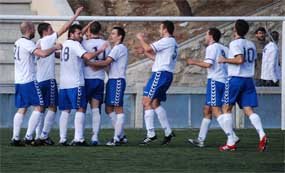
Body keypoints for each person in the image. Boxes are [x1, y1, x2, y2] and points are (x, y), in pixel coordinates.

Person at [34, 7, 84, 145]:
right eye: (51, 29)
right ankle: (43, 135)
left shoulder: (37, 43)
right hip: (49, 80)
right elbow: (65, 28)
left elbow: (54, 55)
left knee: (41, 108)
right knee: (53, 107)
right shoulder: (49, 40)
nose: (53, 31)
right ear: (46, 31)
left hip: (38, 79)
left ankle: (37, 135)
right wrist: (76, 15)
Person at [218, 19, 267, 152]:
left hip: (235, 79)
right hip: (248, 80)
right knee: (248, 109)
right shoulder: (250, 44)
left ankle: (230, 142)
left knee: (226, 108)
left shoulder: (235, 43)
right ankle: (262, 134)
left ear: (235, 29)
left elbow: (240, 59)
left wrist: (224, 60)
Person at [11, 21, 61, 146]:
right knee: (40, 106)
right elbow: (43, 54)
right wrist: (55, 47)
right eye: (33, 28)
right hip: (29, 80)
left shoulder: (17, 42)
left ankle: (15, 138)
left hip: (19, 80)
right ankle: (29, 137)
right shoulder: (27, 43)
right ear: (29, 29)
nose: (35, 31)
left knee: (22, 108)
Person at [186, 28, 239, 148]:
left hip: (215, 81)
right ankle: (200, 139)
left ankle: (232, 136)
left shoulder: (212, 47)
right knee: (207, 109)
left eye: (206, 34)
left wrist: (193, 62)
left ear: (211, 36)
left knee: (216, 110)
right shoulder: (224, 48)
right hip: (224, 81)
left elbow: (208, 64)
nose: (205, 37)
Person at [58, 24, 108, 146]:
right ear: (71, 34)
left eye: (82, 33)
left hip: (64, 83)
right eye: (79, 33)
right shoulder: (77, 44)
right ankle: (81, 138)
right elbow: (88, 56)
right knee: (83, 108)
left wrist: (86, 27)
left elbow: (77, 36)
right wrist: (101, 50)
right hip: (79, 82)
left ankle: (62, 138)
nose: (81, 35)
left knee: (65, 111)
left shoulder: (66, 44)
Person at [135, 21, 177, 145]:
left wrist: (141, 39)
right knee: (154, 103)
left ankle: (151, 133)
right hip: (167, 74)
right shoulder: (174, 43)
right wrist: (145, 52)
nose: (159, 30)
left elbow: (148, 47)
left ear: (165, 29)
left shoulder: (167, 40)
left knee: (146, 101)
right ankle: (168, 132)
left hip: (160, 74)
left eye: (160, 28)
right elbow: (156, 57)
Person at [85, 26, 128, 146]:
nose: (111, 35)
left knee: (118, 108)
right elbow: (108, 65)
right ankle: (121, 135)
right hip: (112, 80)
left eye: (114, 34)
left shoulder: (119, 48)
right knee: (108, 109)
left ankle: (116, 138)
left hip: (118, 80)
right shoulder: (115, 48)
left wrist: (90, 63)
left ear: (120, 36)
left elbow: (106, 62)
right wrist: (99, 65)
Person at [81, 21, 111, 145]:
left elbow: (82, 59)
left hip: (86, 79)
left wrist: (87, 26)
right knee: (95, 109)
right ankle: (95, 137)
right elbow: (108, 62)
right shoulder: (106, 44)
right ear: (99, 31)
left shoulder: (84, 43)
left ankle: (80, 136)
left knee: (81, 109)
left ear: (89, 31)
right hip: (99, 79)